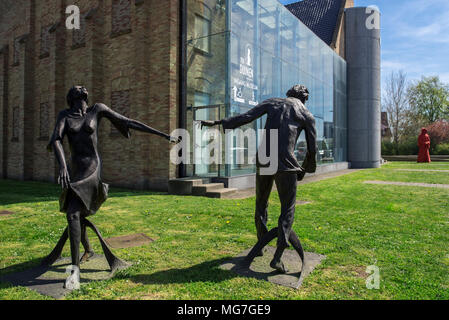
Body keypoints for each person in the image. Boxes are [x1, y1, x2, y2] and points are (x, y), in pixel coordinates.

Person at [48, 86, 177, 289]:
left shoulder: (96, 110)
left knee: (74, 214)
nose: (82, 88)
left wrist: (162, 135)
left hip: (92, 169)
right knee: (76, 215)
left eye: (83, 88)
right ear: (71, 97)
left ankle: (74, 271)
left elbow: (127, 122)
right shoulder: (64, 115)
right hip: (75, 170)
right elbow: (55, 139)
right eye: (77, 88)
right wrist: (62, 166)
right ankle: (87, 252)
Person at [201, 84, 317, 273]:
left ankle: (261, 244)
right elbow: (312, 150)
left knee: (261, 203)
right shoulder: (306, 114)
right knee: (287, 208)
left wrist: (219, 123)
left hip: (265, 159)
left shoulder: (274, 102)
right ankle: (278, 256)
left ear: (288, 94)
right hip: (286, 165)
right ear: (304, 98)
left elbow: (245, 117)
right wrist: (304, 169)